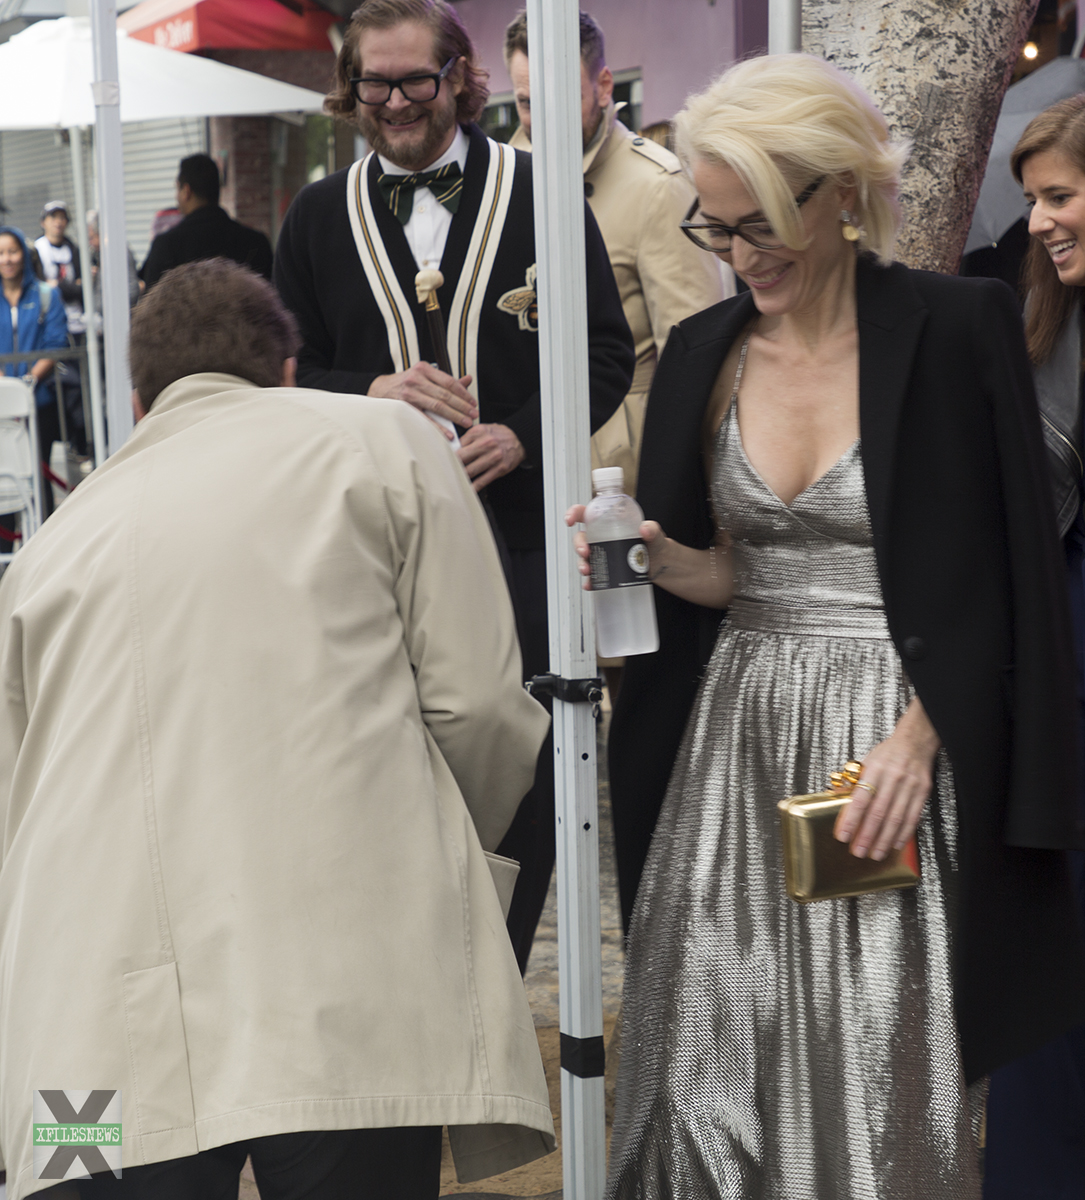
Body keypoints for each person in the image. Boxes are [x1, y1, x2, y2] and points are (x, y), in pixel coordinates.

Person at [571, 54, 1085, 1197]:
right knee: (703, 1069)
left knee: (865, 1072)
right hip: (733, 752)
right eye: (714, 228)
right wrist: (655, 558)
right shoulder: (704, 353)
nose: (738, 256)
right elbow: (741, 573)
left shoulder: (959, 328)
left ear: (840, 194)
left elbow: (1010, 574)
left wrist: (921, 735)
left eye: (759, 225)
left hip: (885, 758)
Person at [0, 259, 555, 1199]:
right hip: (342, 987)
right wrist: (429, 866)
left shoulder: (44, 552)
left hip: (80, 1032)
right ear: (288, 373)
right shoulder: (386, 441)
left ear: (138, 404)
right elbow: (483, 711)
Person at [273, 0, 634, 974]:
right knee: (380, 767)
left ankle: (498, 973)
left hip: (518, 545)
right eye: (374, 83)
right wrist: (373, 392)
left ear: (460, 79)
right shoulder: (315, 217)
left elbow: (606, 354)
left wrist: (522, 435)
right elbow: (285, 378)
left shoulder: (543, 193)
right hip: (369, 555)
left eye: (415, 81)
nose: (394, 103)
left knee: (523, 761)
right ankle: (405, 978)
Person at [975, 95, 1085, 1200]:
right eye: (1033, 198)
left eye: (1059, 196)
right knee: (1048, 962)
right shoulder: (1033, 318)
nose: (1039, 221)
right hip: (1053, 674)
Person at [504, 9, 732, 497]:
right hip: (520, 460)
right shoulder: (506, 178)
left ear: (604, 85)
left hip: (619, 469)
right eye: (526, 102)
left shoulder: (657, 186)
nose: (541, 119)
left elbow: (694, 353)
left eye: (560, 97)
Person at [0, 224, 68, 506]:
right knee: (5, 482)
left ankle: (44, 532)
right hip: (2, 406)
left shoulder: (45, 294)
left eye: (12, 251)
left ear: (24, 255)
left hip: (40, 403)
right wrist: (6, 386)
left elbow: (56, 343)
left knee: (39, 479)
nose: (7, 259)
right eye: (1, 253)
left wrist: (28, 381)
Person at [140, 154, 273, 289]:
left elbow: (152, 300)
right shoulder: (257, 243)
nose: (176, 197)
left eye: (177, 189)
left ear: (186, 191)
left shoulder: (166, 246)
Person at [34, 200, 84, 339]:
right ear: (43, 222)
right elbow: (38, 285)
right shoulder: (36, 250)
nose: (58, 222)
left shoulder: (73, 249)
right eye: (53, 217)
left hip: (75, 319)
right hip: (47, 317)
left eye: (62, 218)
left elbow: (81, 286)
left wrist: (56, 285)